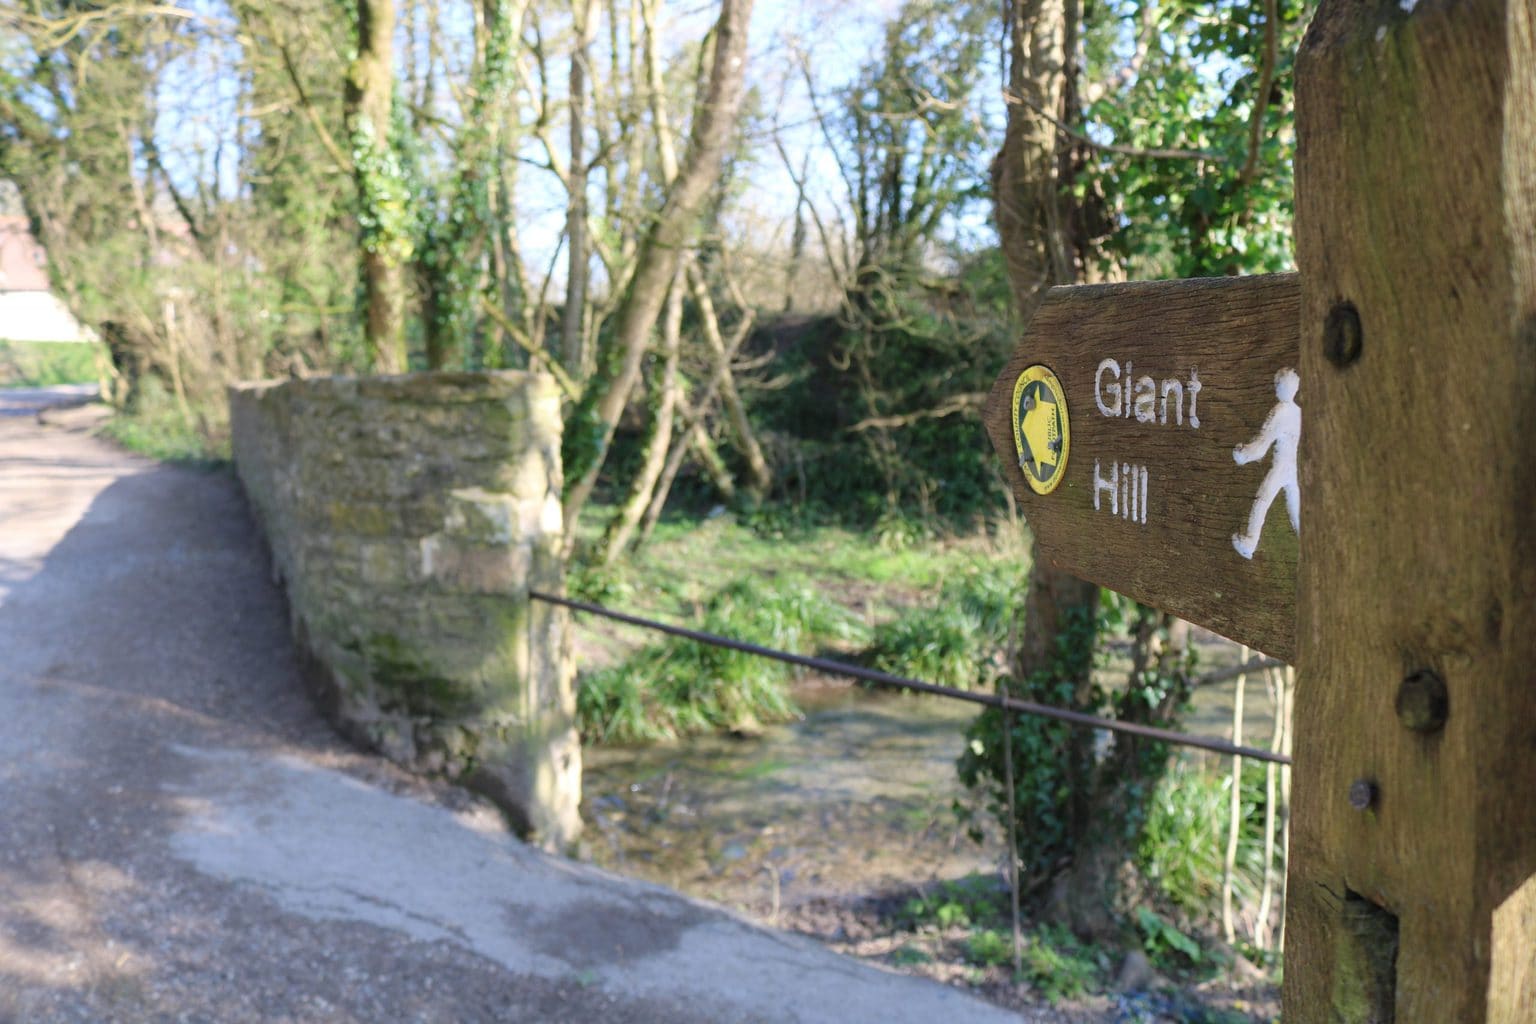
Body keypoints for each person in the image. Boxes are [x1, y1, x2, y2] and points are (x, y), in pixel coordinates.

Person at [1232, 367, 1301, 560]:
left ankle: (1250, 542)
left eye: (1277, 384)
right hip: (1294, 468)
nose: (1275, 388)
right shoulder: (1299, 413)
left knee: (1262, 499)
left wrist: (1243, 454)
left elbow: (1263, 444)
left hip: (1281, 466)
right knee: (1296, 508)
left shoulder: (1281, 411)